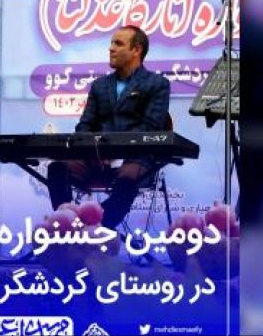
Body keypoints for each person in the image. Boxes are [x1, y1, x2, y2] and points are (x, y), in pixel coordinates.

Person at [47, 26, 170, 229]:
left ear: (136, 50)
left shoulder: (157, 84)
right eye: (111, 43)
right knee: (57, 168)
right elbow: (85, 126)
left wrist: (113, 149)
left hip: (135, 158)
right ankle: (67, 223)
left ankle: (98, 228)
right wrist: (91, 149)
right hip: (96, 159)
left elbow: (150, 127)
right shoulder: (99, 86)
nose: (111, 48)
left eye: (118, 44)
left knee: (129, 175)